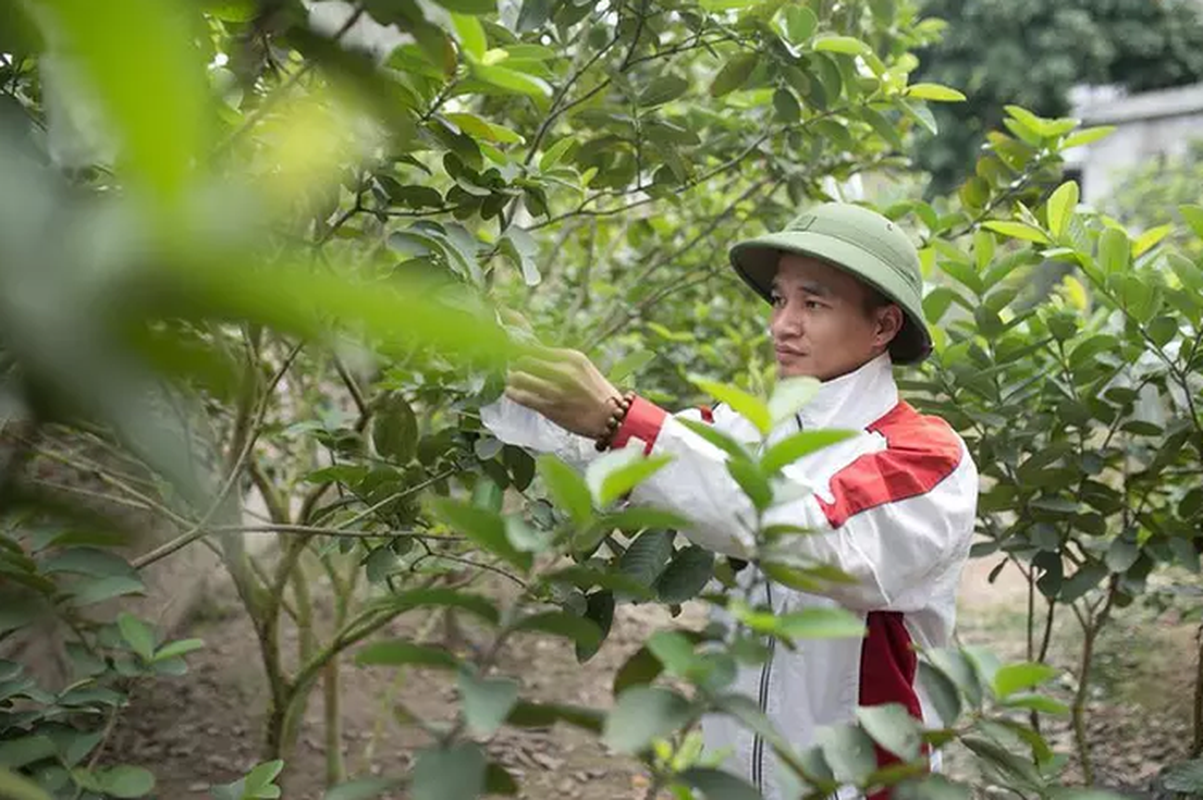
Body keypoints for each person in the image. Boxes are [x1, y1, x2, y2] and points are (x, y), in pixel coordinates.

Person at [480, 203, 979, 800]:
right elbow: (614, 456)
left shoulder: (925, 455)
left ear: (884, 326)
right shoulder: (748, 429)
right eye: (778, 300)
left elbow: (814, 541)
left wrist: (621, 419)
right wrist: (502, 371)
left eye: (813, 304)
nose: (782, 325)